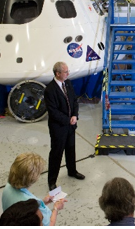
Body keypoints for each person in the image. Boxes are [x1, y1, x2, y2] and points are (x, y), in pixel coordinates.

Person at [45, 62, 85, 191]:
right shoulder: (50, 90)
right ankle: (52, 181)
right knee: (56, 154)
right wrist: (68, 120)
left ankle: (72, 171)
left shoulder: (67, 83)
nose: (68, 73)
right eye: (66, 72)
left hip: (70, 125)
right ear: (58, 73)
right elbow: (53, 112)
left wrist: (75, 115)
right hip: (58, 127)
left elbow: (74, 100)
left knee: (70, 149)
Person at [2, 152, 65, 226]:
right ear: (33, 178)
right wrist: (56, 208)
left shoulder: (8, 187)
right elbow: (49, 225)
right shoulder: (30, 203)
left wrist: (42, 202)